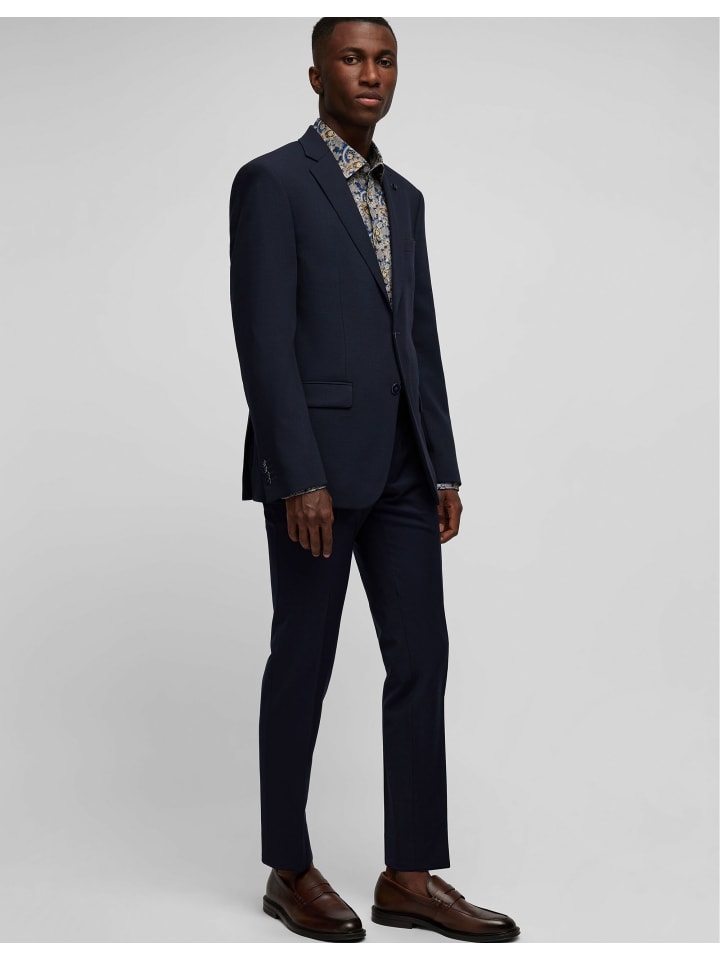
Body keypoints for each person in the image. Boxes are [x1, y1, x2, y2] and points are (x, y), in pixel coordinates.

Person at [228, 16, 520, 944]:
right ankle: (288, 866)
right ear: (316, 75)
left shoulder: (407, 198)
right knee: (303, 662)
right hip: (314, 473)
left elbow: (417, 337)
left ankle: (410, 875)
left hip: (403, 471)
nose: (371, 74)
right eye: (352, 59)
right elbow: (263, 339)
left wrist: (442, 463)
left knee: (422, 658)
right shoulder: (273, 181)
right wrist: (296, 474)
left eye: (385, 60)